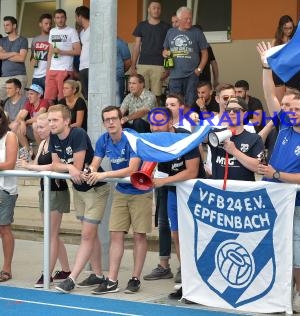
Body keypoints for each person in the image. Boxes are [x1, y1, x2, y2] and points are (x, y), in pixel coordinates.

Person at [258, 41, 300, 314]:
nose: (287, 109)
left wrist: (276, 174)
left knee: (297, 251)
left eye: (292, 106)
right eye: (284, 106)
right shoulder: (282, 123)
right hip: (271, 199)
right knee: (271, 247)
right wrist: (265, 66)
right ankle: (275, 290)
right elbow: (268, 92)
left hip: (293, 203)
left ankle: (299, 293)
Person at [83, 105, 149, 295]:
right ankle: (112, 280)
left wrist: (104, 176)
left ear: (121, 120)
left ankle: (135, 278)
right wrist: (89, 171)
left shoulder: (132, 137)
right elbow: (95, 164)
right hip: (121, 190)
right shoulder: (104, 139)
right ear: (104, 123)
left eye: (114, 118)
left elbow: (132, 169)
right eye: (107, 120)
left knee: (139, 235)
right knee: (116, 235)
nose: (110, 122)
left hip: (141, 190)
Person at [51, 104, 111, 294]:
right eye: (50, 120)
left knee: (86, 235)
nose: (51, 124)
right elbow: (56, 164)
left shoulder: (78, 134)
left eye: (55, 120)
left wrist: (67, 166)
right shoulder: (53, 136)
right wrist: (68, 168)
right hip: (79, 191)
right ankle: (98, 275)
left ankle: (72, 278)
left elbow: (78, 165)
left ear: (67, 121)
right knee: (89, 234)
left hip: (96, 190)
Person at [151, 107, 202, 300]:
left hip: (192, 191)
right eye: (153, 123)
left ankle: (200, 282)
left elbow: (192, 171)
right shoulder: (155, 142)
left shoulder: (184, 137)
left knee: (194, 237)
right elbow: (161, 170)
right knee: (178, 236)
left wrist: (163, 181)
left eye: (159, 123)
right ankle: (188, 283)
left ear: (170, 123)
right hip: (173, 192)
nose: (155, 128)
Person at [18, 113, 71, 287]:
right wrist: (25, 163)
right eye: (37, 128)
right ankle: (65, 269)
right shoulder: (42, 144)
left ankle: (47, 273)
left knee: (52, 234)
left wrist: (31, 166)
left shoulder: (57, 143)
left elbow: (53, 166)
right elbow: (34, 164)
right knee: (51, 232)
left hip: (57, 191)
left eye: (42, 127)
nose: (39, 131)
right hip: (44, 190)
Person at [208, 96, 264, 181]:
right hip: (218, 192)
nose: (231, 113)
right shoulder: (215, 134)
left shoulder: (254, 138)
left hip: (242, 192)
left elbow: (260, 168)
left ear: (244, 114)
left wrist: (234, 152)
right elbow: (198, 139)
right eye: (228, 110)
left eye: (236, 110)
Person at [162, 6, 208, 106]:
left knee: (190, 103)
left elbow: (205, 53)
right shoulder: (171, 32)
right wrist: (165, 53)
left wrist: (199, 70)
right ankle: (177, 122)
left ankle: (188, 121)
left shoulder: (197, 32)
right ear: (178, 19)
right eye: (186, 19)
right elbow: (165, 50)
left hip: (192, 75)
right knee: (174, 103)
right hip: (174, 75)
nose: (189, 21)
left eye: (190, 18)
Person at [131, 0, 170, 103]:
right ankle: (143, 117)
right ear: (148, 9)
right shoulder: (141, 25)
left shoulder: (166, 27)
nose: (156, 10)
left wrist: (168, 68)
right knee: (142, 93)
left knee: (156, 95)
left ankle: (156, 118)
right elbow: (137, 46)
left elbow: (169, 49)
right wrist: (133, 65)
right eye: (154, 8)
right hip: (143, 64)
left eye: (158, 8)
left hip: (159, 65)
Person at [46, 9, 81, 104]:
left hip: (65, 69)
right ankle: (54, 115)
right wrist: (47, 71)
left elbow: (78, 51)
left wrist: (62, 52)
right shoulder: (52, 31)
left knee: (63, 97)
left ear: (65, 18)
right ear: (54, 19)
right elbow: (50, 51)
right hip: (52, 69)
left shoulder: (71, 31)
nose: (60, 20)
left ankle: (64, 117)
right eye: (57, 18)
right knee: (49, 98)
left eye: (62, 17)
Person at [0, 107, 18, 283]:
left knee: (4, 228)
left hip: (5, 189)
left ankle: (6, 269)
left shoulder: (10, 136)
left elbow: (10, 163)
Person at [271, 15, 300, 102]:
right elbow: (272, 59)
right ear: (281, 28)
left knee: (292, 101)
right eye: (285, 28)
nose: (288, 31)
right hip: (279, 73)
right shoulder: (275, 41)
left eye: (290, 28)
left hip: (292, 72)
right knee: (280, 103)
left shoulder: (295, 39)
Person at [0, 16, 29, 100]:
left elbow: (21, 58)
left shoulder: (23, 40)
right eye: (4, 25)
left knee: (18, 101)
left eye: (7, 25)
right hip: (4, 77)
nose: (5, 27)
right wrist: (13, 53)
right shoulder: (2, 40)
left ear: (14, 26)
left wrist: (5, 54)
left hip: (19, 76)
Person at [12, 84, 49, 148]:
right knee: (17, 127)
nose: (29, 96)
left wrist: (25, 122)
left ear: (39, 95)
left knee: (35, 125)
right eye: (28, 94)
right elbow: (21, 117)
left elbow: (38, 117)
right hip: (34, 130)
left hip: (46, 129)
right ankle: (27, 151)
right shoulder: (29, 104)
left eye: (31, 94)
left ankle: (41, 149)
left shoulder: (44, 102)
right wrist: (22, 122)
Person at [30, 13, 53, 91]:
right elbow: (32, 58)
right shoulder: (35, 40)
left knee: (49, 100)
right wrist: (33, 61)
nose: (48, 25)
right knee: (36, 100)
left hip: (48, 75)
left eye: (50, 23)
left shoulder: (53, 37)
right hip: (36, 75)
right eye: (46, 23)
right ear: (40, 24)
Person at [195, 24, 220, 90]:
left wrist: (215, 81)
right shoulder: (207, 47)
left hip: (202, 81)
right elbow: (214, 65)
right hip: (201, 81)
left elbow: (214, 64)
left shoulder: (207, 48)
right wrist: (215, 81)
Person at [75, 6, 90, 98]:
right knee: (86, 95)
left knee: (94, 93)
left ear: (80, 16)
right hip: (82, 66)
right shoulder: (81, 33)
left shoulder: (94, 28)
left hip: (91, 66)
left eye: (76, 17)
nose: (76, 20)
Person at [116, 37, 132, 105]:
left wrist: (120, 71)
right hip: (102, 77)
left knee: (118, 102)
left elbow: (128, 62)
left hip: (117, 76)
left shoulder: (120, 43)